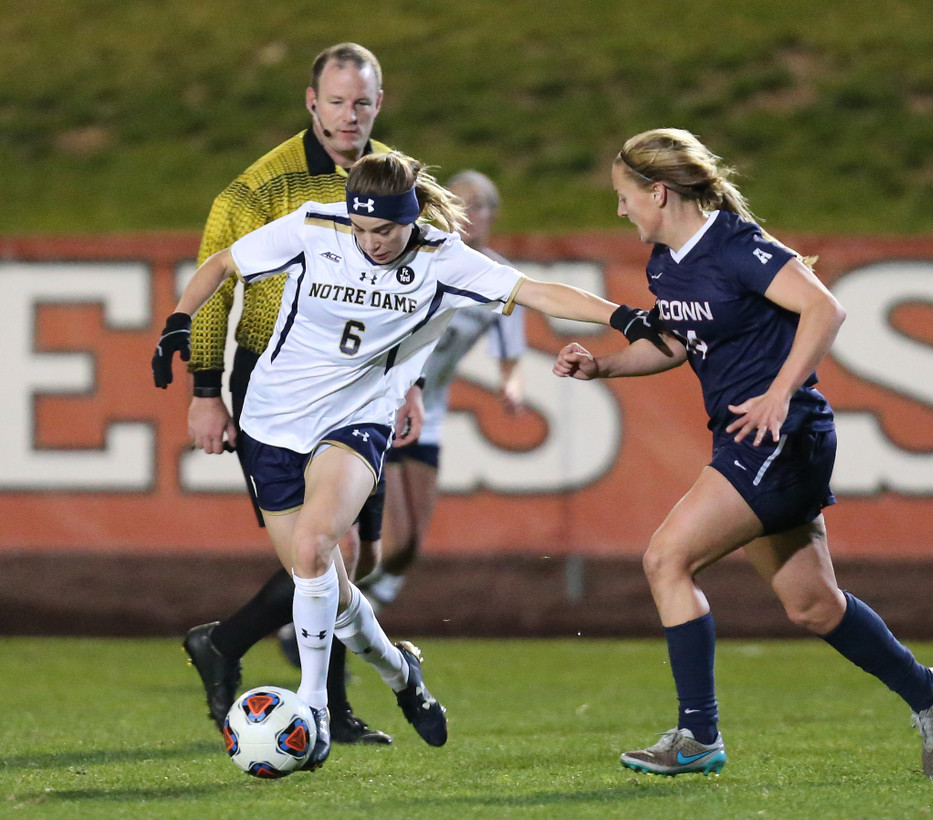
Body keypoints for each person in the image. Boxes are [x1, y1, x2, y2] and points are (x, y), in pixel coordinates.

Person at [152, 149, 660, 770]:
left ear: (412, 215)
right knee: (332, 592)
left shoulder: (442, 259)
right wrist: (179, 321)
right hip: (270, 423)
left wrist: (624, 315)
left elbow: (534, 290)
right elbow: (225, 262)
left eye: (386, 230)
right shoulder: (318, 225)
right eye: (362, 229)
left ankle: (310, 708)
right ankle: (402, 675)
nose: (372, 244)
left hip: (357, 422)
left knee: (318, 550)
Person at [553, 127, 933, 780]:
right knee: (812, 606)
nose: (620, 209)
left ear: (659, 191)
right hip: (754, 438)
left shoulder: (737, 245)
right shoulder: (666, 260)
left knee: (666, 558)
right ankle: (927, 691)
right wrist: (601, 368)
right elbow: (680, 344)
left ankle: (699, 735)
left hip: (781, 435)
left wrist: (778, 392)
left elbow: (824, 310)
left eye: (624, 196)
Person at [180, 42, 418, 746]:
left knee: (362, 557)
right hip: (277, 384)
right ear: (311, 102)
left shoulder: (398, 182)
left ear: (381, 102)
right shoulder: (261, 188)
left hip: (366, 385)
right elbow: (215, 284)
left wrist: (412, 382)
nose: (350, 115)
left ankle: (225, 643)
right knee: (326, 550)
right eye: (337, 101)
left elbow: (414, 292)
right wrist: (204, 391)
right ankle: (327, 706)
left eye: (363, 102)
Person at [360, 169, 526, 610]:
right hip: (383, 405)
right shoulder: (418, 257)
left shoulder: (499, 276)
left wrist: (511, 384)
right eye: (465, 203)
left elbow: (510, 351)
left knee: (411, 544)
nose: (475, 214)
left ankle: (349, 616)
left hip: (429, 413)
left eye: (484, 205)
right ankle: (319, 616)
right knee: (392, 541)